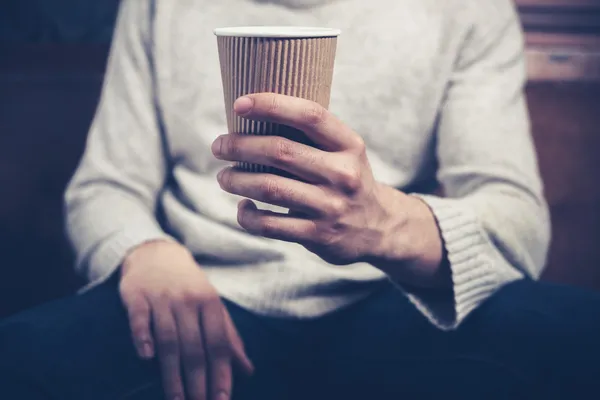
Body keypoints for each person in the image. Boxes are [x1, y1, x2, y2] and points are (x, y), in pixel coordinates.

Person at [1, 0, 599, 399]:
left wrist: (388, 226)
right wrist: (145, 252)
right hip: (201, 301)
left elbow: (518, 217)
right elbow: (105, 185)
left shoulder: (466, 9)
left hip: (394, 299)